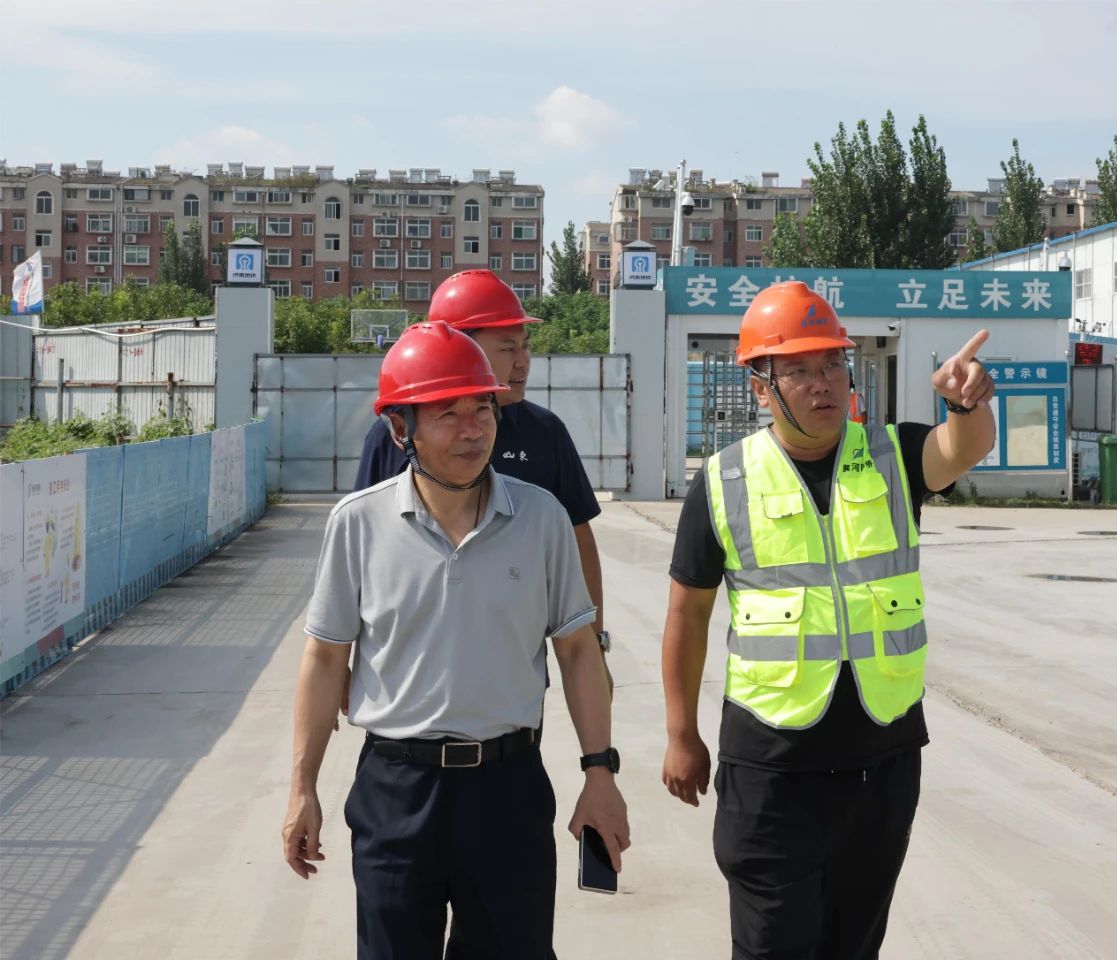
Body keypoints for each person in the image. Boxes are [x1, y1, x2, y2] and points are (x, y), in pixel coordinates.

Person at [659, 281, 995, 959]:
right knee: (773, 946)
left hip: (882, 762)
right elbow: (686, 614)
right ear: (761, 388)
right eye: (800, 370)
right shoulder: (724, 482)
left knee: (854, 946)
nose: (823, 384)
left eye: (834, 364)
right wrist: (680, 735)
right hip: (771, 771)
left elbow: (961, 449)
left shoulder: (893, 455)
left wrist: (966, 403)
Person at [282, 321, 629, 959]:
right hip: (396, 792)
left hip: (508, 791)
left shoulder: (542, 519)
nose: (473, 430)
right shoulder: (358, 525)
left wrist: (599, 772)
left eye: (483, 410)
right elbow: (325, 657)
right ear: (400, 428)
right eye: (448, 414)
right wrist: (303, 786)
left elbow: (579, 650)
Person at [354, 270, 612, 676]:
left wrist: (595, 645)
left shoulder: (545, 433)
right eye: (508, 348)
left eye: (526, 346)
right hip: (406, 672)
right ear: (460, 348)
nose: (523, 361)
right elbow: (361, 550)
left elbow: (578, 541)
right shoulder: (395, 436)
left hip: (513, 675)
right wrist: (342, 659)